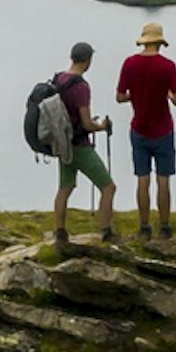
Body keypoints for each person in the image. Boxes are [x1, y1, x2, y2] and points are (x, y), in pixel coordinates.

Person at [112, 20, 176, 244]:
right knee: (163, 180)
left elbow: (119, 96)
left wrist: (135, 95)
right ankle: (164, 227)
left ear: (144, 42)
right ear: (160, 43)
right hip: (163, 130)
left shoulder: (130, 63)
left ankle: (144, 227)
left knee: (142, 179)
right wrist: (170, 97)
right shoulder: (168, 66)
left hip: (139, 129)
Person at [49, 39, 116, 246]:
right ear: (88, 60)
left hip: (63, 144)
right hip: (79, 146)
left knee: (65, 188)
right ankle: (106, 231)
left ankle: (60, 232)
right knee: (108, 187)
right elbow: (86, 123)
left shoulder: (59, 79)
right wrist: (102, 126)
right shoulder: (81, 86)